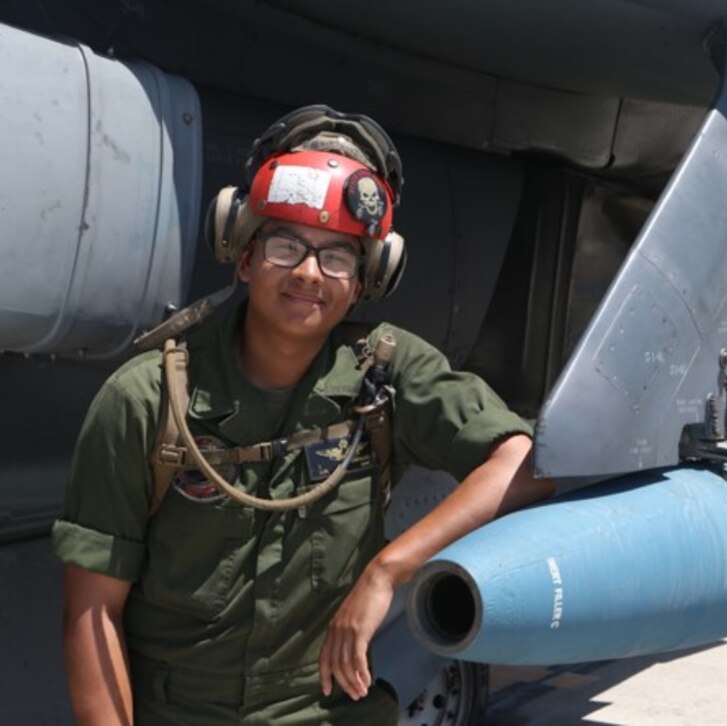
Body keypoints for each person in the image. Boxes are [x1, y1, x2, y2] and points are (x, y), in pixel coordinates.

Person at [52, 106, 554, 724]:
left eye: (338, 255)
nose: (310, 273)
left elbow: (524, 461)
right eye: (285, 244)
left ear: (368, 278)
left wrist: (387, 572)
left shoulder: (386, 376)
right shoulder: (146, 402)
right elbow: (93, 610)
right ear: (242, 254)